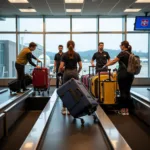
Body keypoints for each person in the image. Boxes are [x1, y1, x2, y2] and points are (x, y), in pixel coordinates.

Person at [103, 41, 134, 115]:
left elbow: (114, 61)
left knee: (122, 91)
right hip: (131, 75)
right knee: (127, 91)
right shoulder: (131, 54)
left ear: (123, 46)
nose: (120, 46)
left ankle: (123, 110)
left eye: (121, 45)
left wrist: (106, 65)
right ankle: (127, 110)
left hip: (123, 74)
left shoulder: (123, 53)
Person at [59, 40, 82, 115]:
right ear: (74, 46)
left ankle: (64, 108)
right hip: (75, 73)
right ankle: (73, 108)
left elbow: (61, 67)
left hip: (67, 73)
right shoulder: (77, 54)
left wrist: (63, 72)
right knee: (75, 90)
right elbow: (81, 66)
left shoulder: (64, 55)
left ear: (67, 46)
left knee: (65, 90)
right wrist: (77, 72)